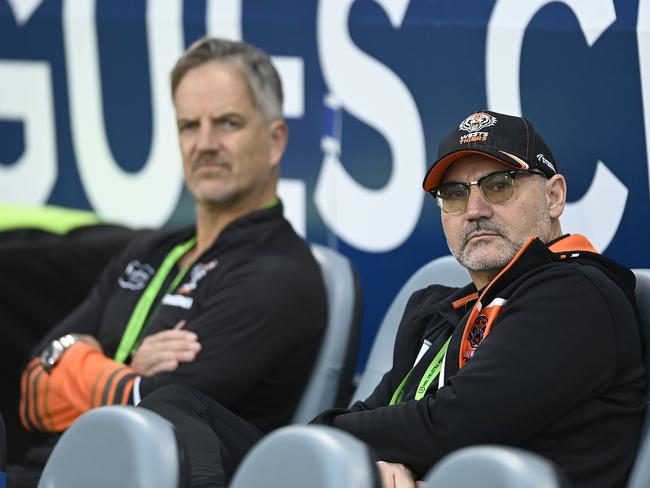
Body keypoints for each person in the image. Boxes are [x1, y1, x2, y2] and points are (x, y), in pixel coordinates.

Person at [139, 110, 644, 488]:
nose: (475, 208)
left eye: (500, 184)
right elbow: (383, 413)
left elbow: (453, 423)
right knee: (174, 405)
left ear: (554, 196)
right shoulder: (439, 311)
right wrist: (367, 457)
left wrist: (336, 438)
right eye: (453, 195)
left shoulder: (577, 293)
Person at [18, 37, 327, 440]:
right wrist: (125, 366)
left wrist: (83, 359)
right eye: (189, 126)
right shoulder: (149, 250)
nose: (205, 144)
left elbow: (155, 408)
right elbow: (32, 382)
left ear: (275, 141)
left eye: (228, 123)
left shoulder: (277, 273)